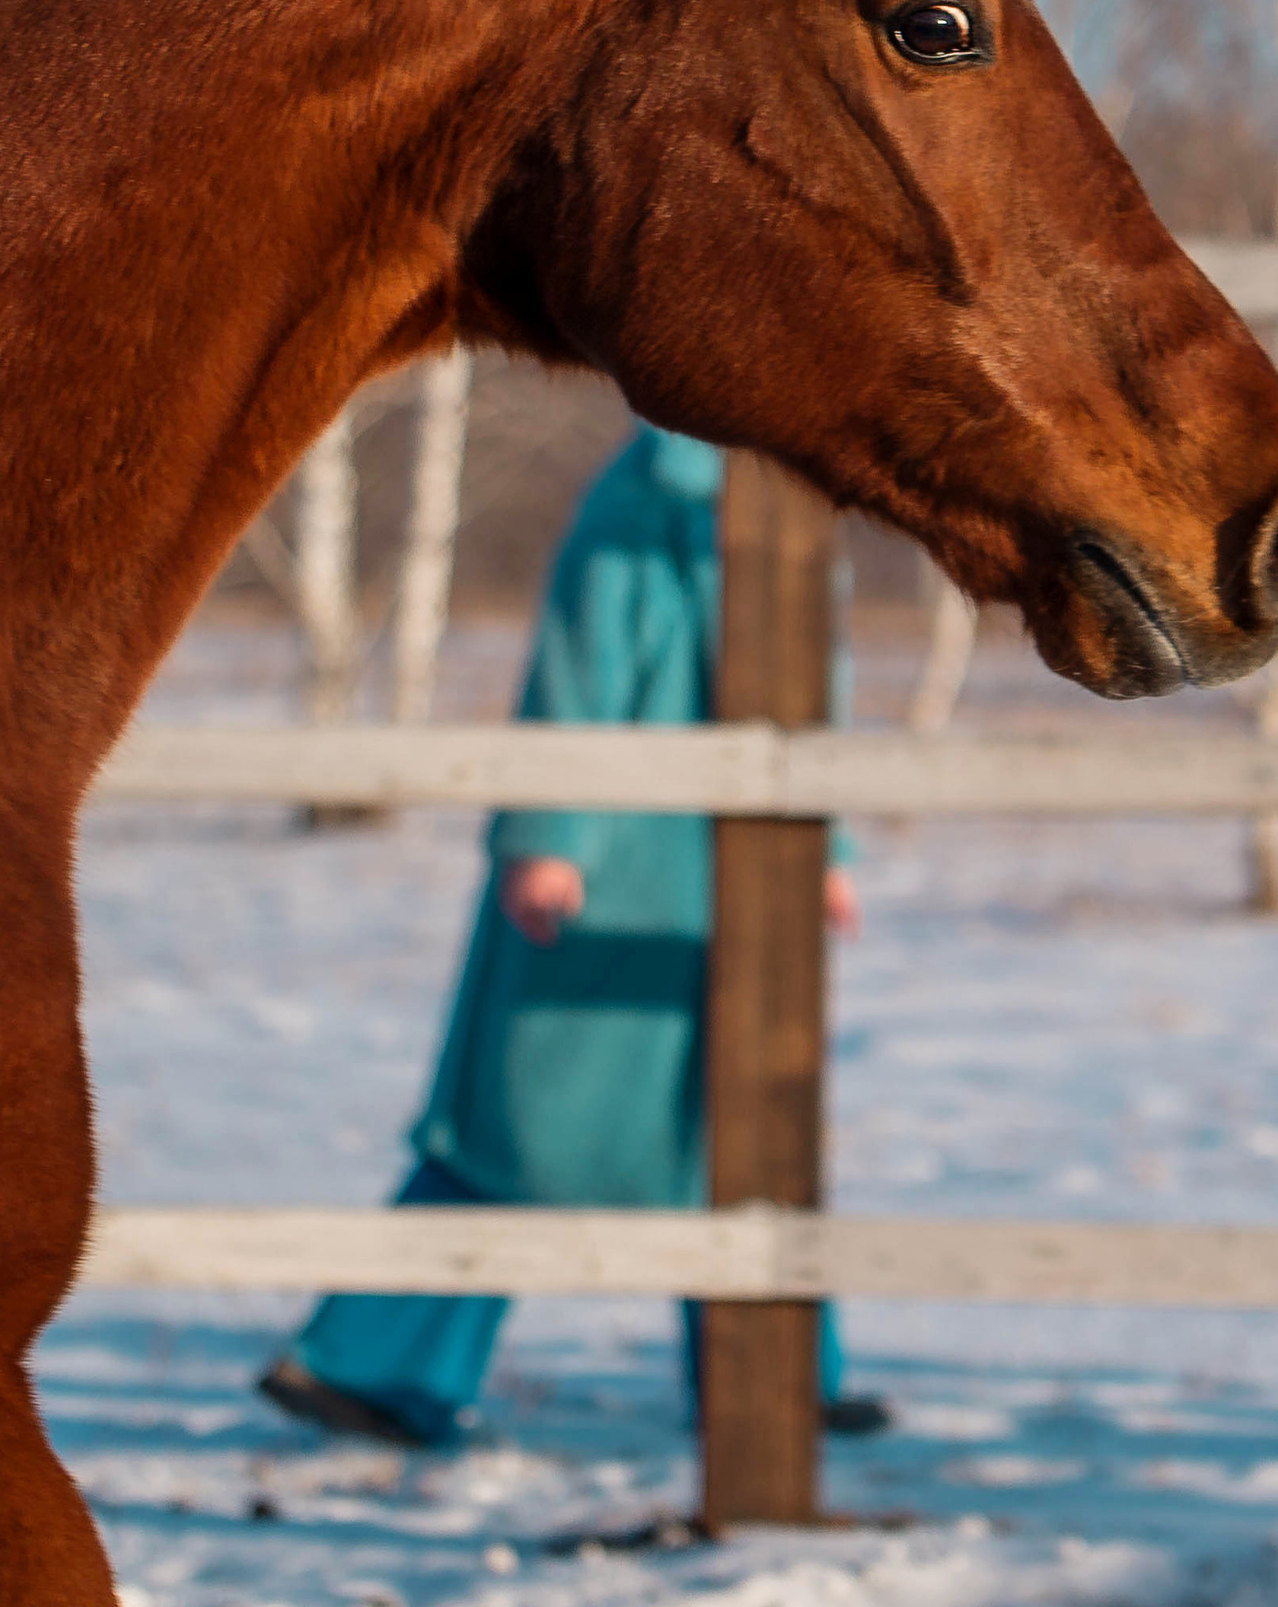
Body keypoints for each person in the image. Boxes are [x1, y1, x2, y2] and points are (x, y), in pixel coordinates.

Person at [257, 425, 887, 1448]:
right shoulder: (652, 496)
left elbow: (814, 686)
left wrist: (826, 845)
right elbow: (579, 668)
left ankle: (776, 1382)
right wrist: (550, 835)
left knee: (739, 1120)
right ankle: (370, 1362)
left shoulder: (785, 490)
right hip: (619, 867)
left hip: (739, 867)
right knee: (518, 1121)